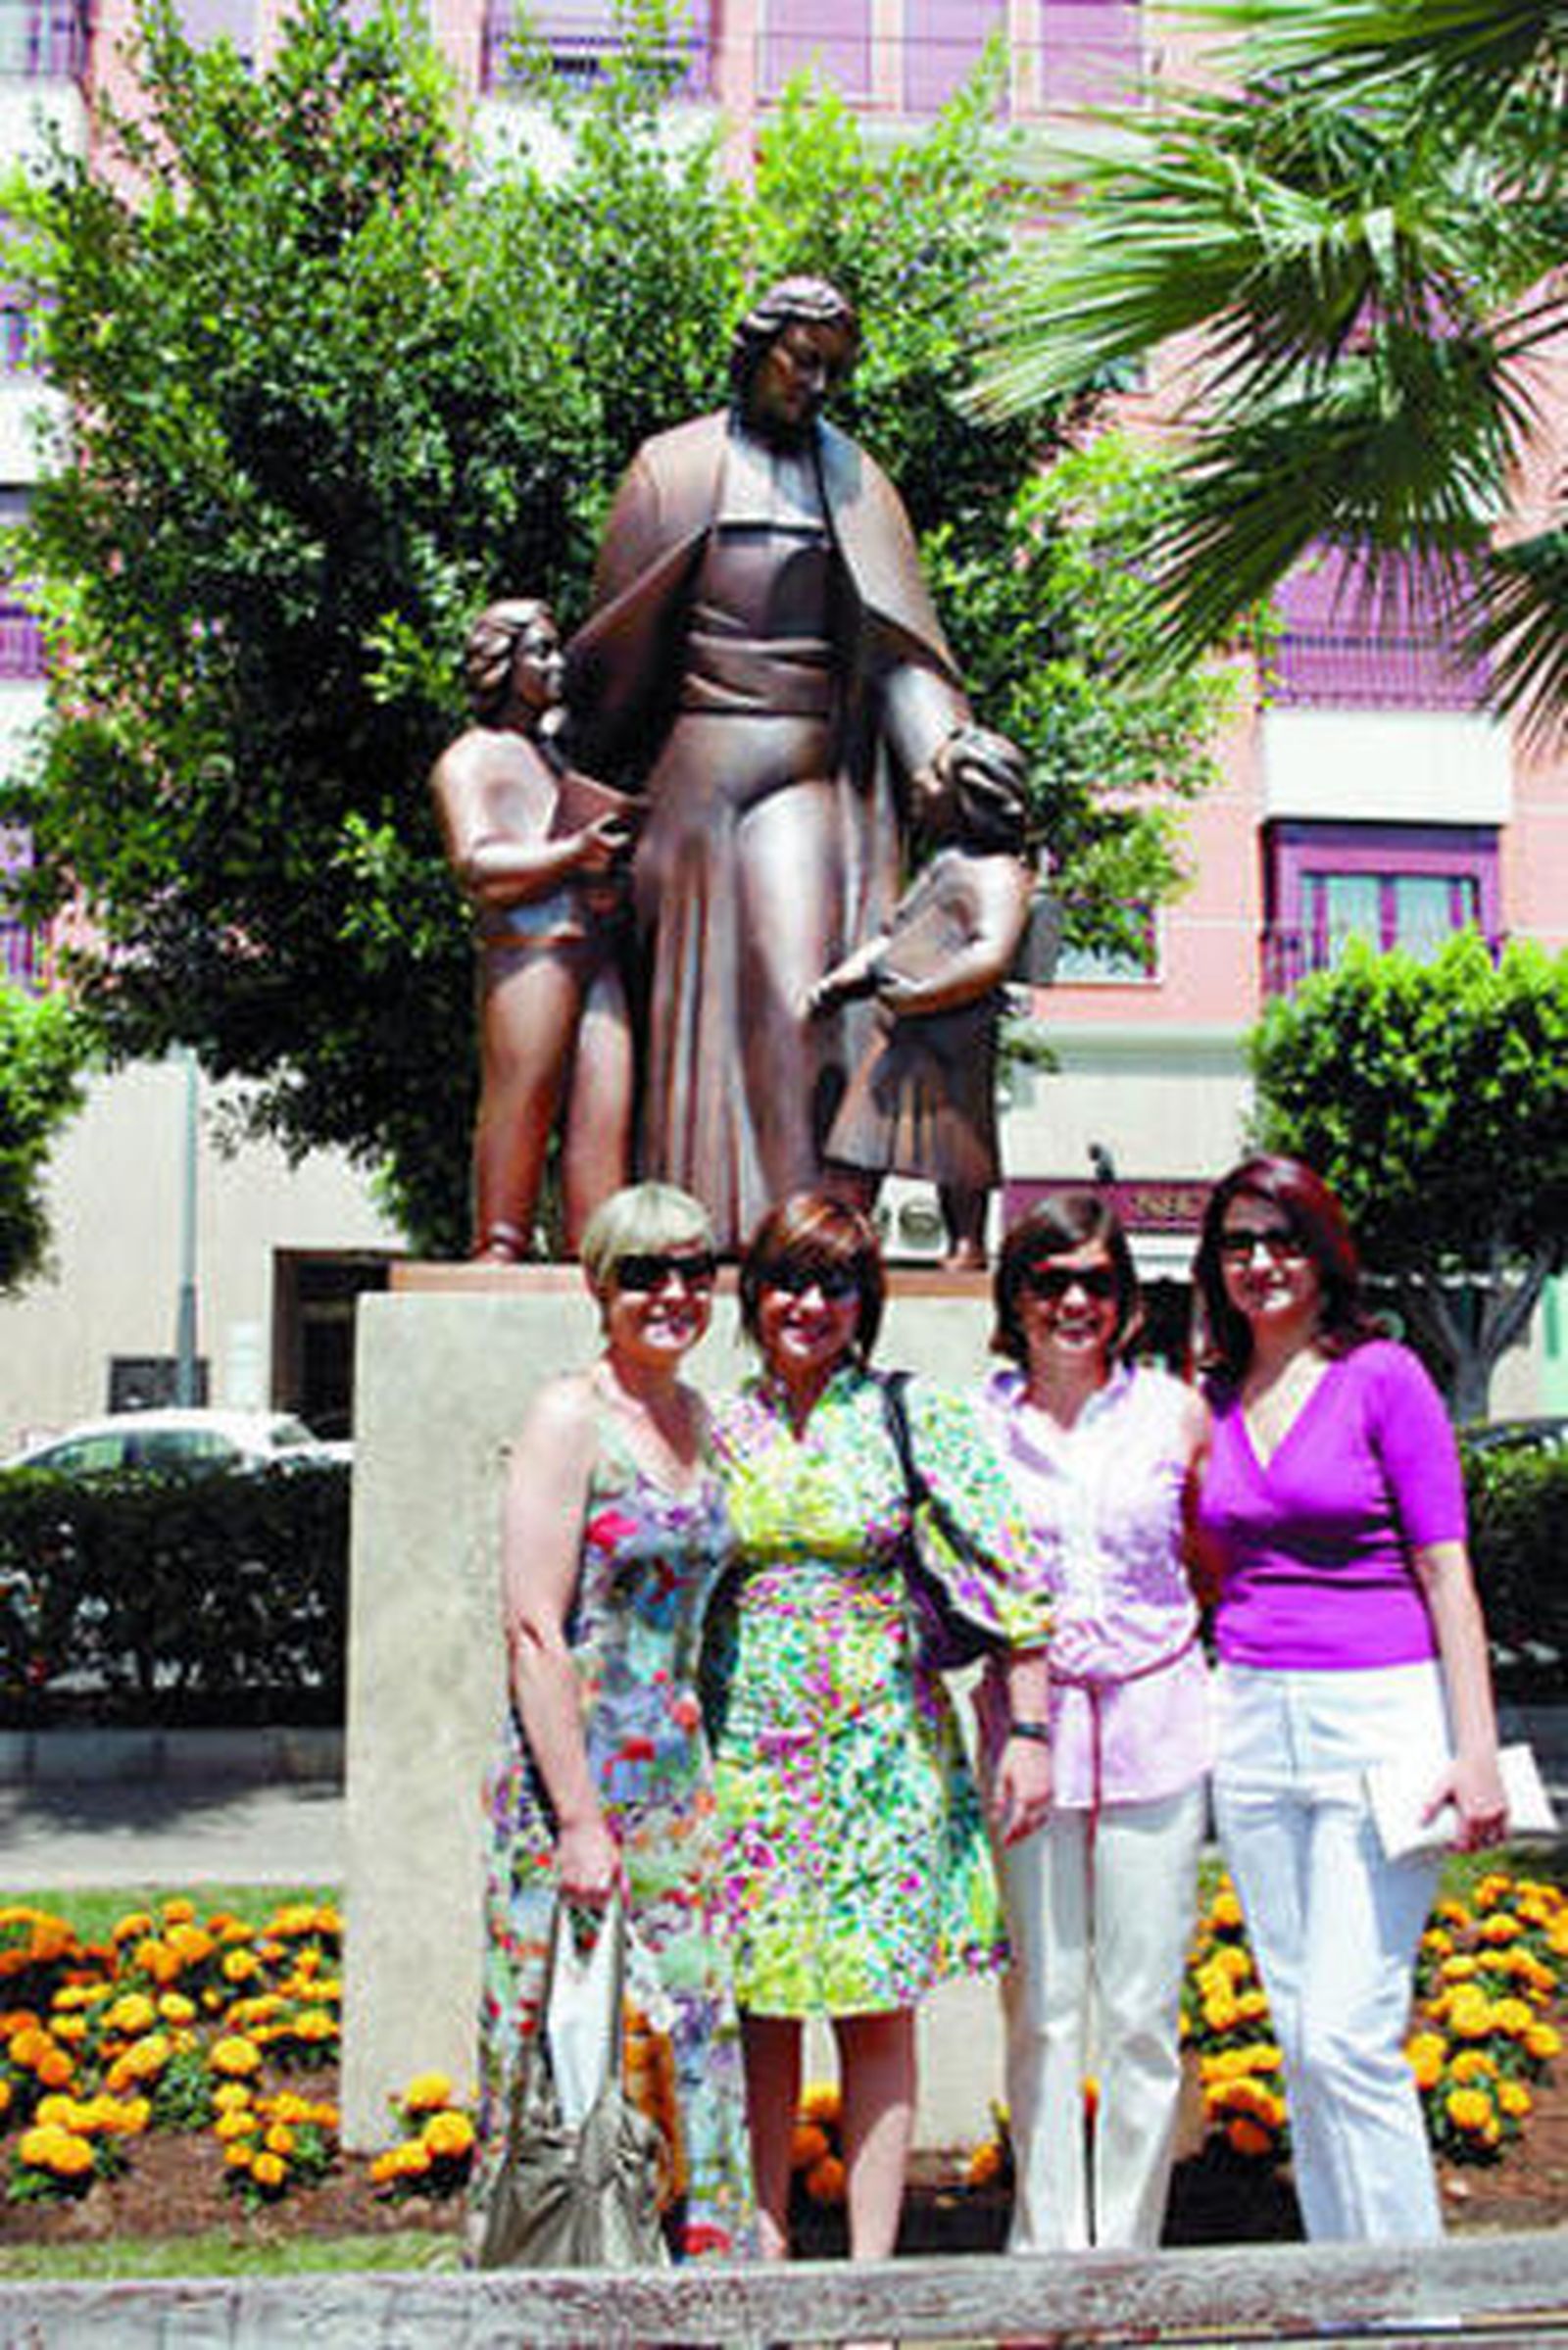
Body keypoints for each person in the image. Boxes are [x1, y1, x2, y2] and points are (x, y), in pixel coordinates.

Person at [564, 277, 1012, 1249]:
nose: (815, 383)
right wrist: (583, 827)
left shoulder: (855, 482)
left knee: (802, 998)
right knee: (686, 1019)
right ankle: (700, 1240)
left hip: (805, 775)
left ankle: (805, 1245)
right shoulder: (671, 470)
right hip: (694, 776)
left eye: (832, 369)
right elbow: (608, 672)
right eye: (799, 359)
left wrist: (946, 760)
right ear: (754, 349)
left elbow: (902, 659)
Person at [702, 1191, 1054, 2266]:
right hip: (744, 1752)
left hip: (879, 1752)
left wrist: (1029, 1729)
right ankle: (760, 2260)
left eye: (836, 1282)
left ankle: (867, 2276)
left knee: (874, 2010)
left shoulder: (913, 1413)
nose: (809, 1303)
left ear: (867, 1301)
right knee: (757, 2003)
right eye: (788, 1280)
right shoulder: (716, 1425)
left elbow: (1015, 1577)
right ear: (754, 1293)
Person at [1193, 1152, 1508, 2244]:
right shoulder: (1215, 1395)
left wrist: (1475, 1748)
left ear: (1323, 1253)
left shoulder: (1384, 1375)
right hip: (1253, 1721)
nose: (1259, 1262)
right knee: (1297, 2030)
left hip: (1379, 1720)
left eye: (1281, 1238)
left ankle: (1415, 2302)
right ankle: (1344, 2297)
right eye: (1236, 1242)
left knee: (1348, 2034)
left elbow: (1444, 1572)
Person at [473, 1182, 755, 2260]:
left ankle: (693, 2285)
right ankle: (552, 2286)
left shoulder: (701, 1418)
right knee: (561, 2046)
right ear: (600, 1285)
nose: (673, 1292)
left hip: (678, 1781)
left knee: (691, 2033)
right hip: (570, 1788)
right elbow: (534, 1630)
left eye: (694, 1268)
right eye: (644, 1272)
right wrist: (581, 1821)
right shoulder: (568, 1415)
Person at [974, 1194, 1210, 2251]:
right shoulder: (975, 1423)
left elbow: (1213, 1554)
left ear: (1124, 1302)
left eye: (1097, 1283)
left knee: (1142, 2011)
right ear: (1014, 1295)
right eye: (1048, 1279)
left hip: (1157, 1721)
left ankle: (1122, 2257)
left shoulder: (1172, 1410)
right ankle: (1044, 2248)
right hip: (1030, 1734)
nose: (1073, 1301)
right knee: (1042, 2003)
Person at [430, 598, 635, 1259]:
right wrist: (573, 855)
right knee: (522, 1099)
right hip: (528, 952)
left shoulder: (556, 760)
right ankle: (500, 1241)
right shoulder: (469, 761)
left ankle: (596, 1250)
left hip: (592, 949)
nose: (556, 665)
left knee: (607, 1103)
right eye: (540, 652)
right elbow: (479, 866)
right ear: (501, 664)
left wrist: (603, 867)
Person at [810, 730, 1036, 1269]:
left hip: (951, 1038)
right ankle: (842, 1245)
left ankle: (967, 1247)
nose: (919, 781)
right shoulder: (943, 866)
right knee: (855, 1150)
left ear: (970, 796)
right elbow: (893, 938)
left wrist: (926, 994)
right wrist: (843, 980)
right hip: (898, 1035)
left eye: (935, 775)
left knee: (960, 1152)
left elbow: (991, 954)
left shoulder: (1000, 876)